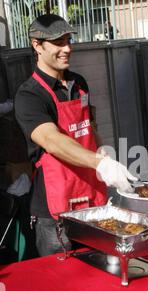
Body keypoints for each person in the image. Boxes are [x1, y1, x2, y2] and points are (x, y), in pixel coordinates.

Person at [15, 14, 136, 256]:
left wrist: (102, 151)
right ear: (37, 45)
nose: (67, 48)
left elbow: (89, 126)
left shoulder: (79, 83)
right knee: (63, 282)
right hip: (54, 209)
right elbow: (52, 140)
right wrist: (99, 163)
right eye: (58, 42)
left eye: (68, 40)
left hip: (91, 195)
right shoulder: (29, 95)